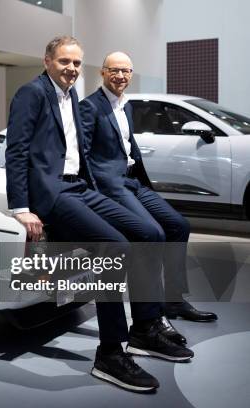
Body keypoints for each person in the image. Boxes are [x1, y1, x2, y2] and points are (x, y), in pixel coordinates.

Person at [5, 36, 193, 393]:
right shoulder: (31, 94)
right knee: (116, 247)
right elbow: (16, 151)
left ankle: (146, 327)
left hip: (80, 187)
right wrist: (22, 207)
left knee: (150, 235)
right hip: (53, 193)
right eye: (64, 62)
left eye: (76, 63)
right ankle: (109, 353)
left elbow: (80, 150)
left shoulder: (72, 94)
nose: (71, 69)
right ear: (47, 61)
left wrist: (93, 186)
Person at [79, 51, 217, 338]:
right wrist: (95, 194)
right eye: (115, 70)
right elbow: (83, 156)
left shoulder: (126, 106)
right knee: (152, 234)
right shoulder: (89, 107)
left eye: (126, 71)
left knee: (179, 226)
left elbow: (127, 147)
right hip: (112, 185)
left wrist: (140, 181)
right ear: (102, 73)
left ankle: (174, 300)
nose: (121, 76)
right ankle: (148, 316)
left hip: (134, 183)